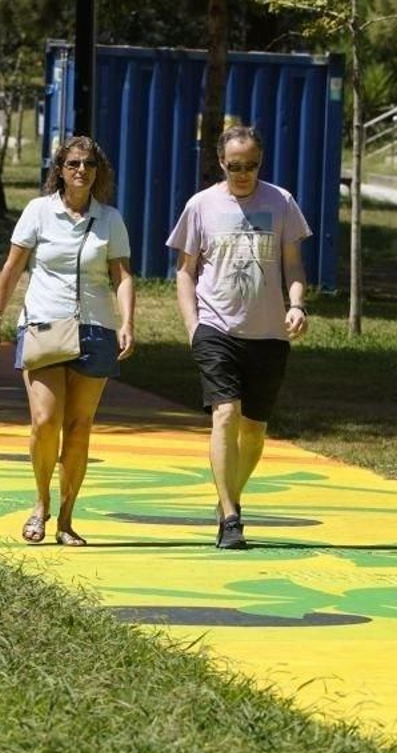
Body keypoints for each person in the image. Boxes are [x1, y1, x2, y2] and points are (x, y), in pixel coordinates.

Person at [0, 137, 135, 547]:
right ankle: (40, 503)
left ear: (98, 171)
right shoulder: (38, 211)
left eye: (88, 164)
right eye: (72, 164)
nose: (81, 170)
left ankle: (66, 518)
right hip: (44, 326)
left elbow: (122, 275)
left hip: (95, 329)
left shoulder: (109, 219)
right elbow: (12, 268)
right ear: (60, 169)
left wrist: (128, 322)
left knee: (80, 427)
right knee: (45, 421)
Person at [165, 125, 310, 550]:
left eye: (251, 166)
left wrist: (297, 304)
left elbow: (294, 265)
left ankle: (228, 495)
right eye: (234, 166)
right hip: (216, 327)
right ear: (221, 163)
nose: (243, 174)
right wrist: (193, 326)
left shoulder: (281, 202)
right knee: (225, 414)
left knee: (255, 431)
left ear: (260, 163)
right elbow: (185, 271)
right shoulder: (201, 206)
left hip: (268, 333)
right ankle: (231, 518)